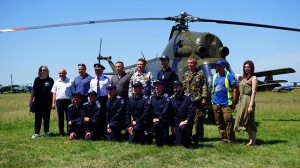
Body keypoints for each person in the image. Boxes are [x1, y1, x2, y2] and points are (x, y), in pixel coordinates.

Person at [211, 60, 238, 143]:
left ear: (224, 67)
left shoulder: (229, 76)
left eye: (219, 66)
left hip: (226, 103)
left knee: (228, 121)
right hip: (216, 102)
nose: (218, 68)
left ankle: (231, 139)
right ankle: (224, 139)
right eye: (217, 66)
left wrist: (234, 102)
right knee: (219, 122)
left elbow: (235, 89)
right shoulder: (215, 76)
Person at [182, 56, 208, 144]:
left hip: (198, 100)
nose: (190, 64)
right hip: (188, 101)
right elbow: (183, 87)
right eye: (189, 63)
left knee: (198, 120)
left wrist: (204, 98)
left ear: (195, 64)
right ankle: (188, 135)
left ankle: (199, 136)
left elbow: (204, 85)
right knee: (189, 119)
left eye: (192, 63)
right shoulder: (186, 74)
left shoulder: (200, 73)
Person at [234, 60, 258, 146]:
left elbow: (253, 92)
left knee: (250, 121)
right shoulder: (243, 78)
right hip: (242, 100)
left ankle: (254, 141)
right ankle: (250, 140)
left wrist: (250, 105)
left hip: (248, 100)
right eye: (245, 67)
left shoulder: (254, 78)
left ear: (251, 68)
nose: (246, 68)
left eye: (248, 67)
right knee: (246, 121)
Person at [29, 66, 54, 138]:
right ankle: (36, 133)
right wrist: (30, 100)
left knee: (46, 118)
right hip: (38, 102)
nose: (42, 72)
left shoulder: (50, 80)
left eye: (44, 70)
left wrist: (53, 102)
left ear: (47, 71)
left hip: (47, 102)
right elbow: (33, 90)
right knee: (38, 118)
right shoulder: (37, 80)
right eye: (41, 70)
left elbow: (53, 92)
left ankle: (46, 132)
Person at [169, 81, 195, 148]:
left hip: (186, 122)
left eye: (177, 87)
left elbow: (191, 111)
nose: (175, 89)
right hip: (177, 122)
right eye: (174, 88)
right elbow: (170, 113)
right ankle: (190, 138)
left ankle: (190, 139)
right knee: (179, 144)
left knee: (183, 129)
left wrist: (186, 120)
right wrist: (173, 125)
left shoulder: (188, 97)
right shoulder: (171, 99)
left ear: (181, 88)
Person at [89, 63, 110, 138]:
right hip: (94, 100)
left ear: (102, 70)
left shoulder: (106, 79)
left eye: (98, 70)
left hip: (103, 99)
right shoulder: (92, 80)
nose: (96, 72)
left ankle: (104, 133)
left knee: (103, 116)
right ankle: (95, 133)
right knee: (95, 117)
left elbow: (108, 91)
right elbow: (90, 91)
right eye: (95, 70)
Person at [51, 68, 73, 136]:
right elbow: (54, 93)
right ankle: (61, 132)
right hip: (59, 102)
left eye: (62, 73)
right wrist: (53, 103)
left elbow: (73, 92)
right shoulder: (56, 82)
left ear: (66, 73)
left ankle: (69, 132)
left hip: (68, 101)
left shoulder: (70, 81)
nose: (61, 74)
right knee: (60, 118)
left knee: (68, 117)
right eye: (60, 73)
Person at [149, 80, 171, 147]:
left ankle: (159, 143)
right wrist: (151, 119)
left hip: (163, 119)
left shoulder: (166, 98)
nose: (156, 87)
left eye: (158, 86)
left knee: (156, 124)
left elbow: (165, 111)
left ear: (163, 87)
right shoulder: (152, 98)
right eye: (155, 86)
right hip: (154, 119)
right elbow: (150, 110)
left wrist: (159, 119)